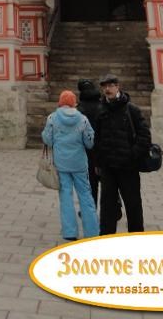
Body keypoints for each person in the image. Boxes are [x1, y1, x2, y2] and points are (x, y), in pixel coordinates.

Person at [93, 74, 151, 234]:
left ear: (117, 87)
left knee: (133, 205)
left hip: (128, 167)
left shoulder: (132, 110)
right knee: (107, 207)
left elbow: (144, 136)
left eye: (110, 85)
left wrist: (132, 155)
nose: (107, 89)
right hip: (108, 168)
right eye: (104, 86)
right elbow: (97, 138)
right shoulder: (101, 109)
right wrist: (98, 162)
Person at [42, 90, 99, 241]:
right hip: (79, 163)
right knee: (86, 196)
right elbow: (90, 142)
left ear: (60, 102)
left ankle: (70, 232)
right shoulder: (83, 119)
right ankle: (92, 232)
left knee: (66, 197)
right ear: (74, 102)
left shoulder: (52, 118)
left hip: (61, 164)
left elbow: (47, 139)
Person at [76, 79, 102, 206]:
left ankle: (90, 207)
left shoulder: (79, 109)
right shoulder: (102, 106)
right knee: (108, 180)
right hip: (103, 147)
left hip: (86, 150)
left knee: (90, 180)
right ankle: (115, 204)